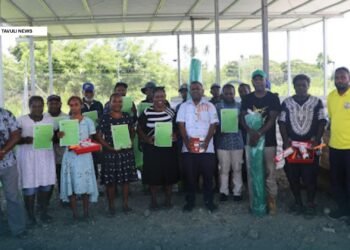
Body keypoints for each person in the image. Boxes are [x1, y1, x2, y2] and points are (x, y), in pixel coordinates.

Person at [279, 74, 327, 217]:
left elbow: (322, 121)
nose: (301, 88)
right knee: (292, 174)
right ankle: (298, 202)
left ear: (308, 86)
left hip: (310, 146)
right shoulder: (287, 103)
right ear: (294, 86)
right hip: (292, 146)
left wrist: (317, 140)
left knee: (310, 176)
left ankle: (310, 203)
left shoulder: (316, 101)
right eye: (298, 85)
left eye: (303, 85)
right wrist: (286, 140)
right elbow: (281, 122)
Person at [240, 70, 281, 215]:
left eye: (261, 79)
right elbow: (242, 117)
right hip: (251, 141)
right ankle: (255, 202)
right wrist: (251, 132)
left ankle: (272, 201)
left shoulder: (273, 98)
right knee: (253, 171)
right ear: (252, 82)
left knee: (270, 172)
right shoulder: (247, 98)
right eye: (255, 79)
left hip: (268, 141)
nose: (258, 82)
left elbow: (273, 118)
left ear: (265, 81)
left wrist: (259, 133)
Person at [177, 81, 219, 212]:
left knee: (208, 176)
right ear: (190, 91)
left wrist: (206, 142)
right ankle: (190, 202)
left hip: (207, 147)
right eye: (193, 89)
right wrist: (186, 141)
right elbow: (181, 125)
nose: (195, 90)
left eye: (198, 88)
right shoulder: (184, 107)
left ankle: (209, 201)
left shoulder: (210, 106)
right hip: (188, 147)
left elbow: (213, 125)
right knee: (190, 176)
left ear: (203, 90)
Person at [96, 94, 138, 216]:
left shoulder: (126, 116)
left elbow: (132, 131)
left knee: (126, 181)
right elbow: (98, 136)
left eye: (120, 101)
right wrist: (109, 147)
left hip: (125, 153)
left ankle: (125, 205)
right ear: (109, 103)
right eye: (114, 101)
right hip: (110, 154)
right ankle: (111, 207)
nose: (117, 104)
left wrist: (130, 140)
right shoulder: (104, 118)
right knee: (111, 182)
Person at [138, 87, 179, 210]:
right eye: (157, 97)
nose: (160, 99)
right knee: (153, 174)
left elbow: (177, 127)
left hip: (168, 149)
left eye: (162, 96)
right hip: (152, 150)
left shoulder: (171, 112)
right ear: (152, 98)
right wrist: (146, 139)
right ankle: (154, 201)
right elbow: (139, 128)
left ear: (165, 97)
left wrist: (175, 135)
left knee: (169, 173)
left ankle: (168, 200)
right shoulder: (146, 112)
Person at [17, 96, 56, 225]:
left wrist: (58, 136)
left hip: (45, 155)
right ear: (29, 106)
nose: (37, 109)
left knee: (46, 185)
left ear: (43, 106)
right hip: (28, 156)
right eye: (34, 106)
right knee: (29, 186)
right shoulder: (21, 120)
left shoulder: (49, 119)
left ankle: (43, 211)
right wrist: (25, 140)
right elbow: (15, 139)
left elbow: (55, 136)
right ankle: (30, 215)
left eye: (40, 106)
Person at [59, 96, 99, 220]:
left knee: (85, 182)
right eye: (71, 105)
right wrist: (59, 136)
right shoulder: (65, 122)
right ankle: (75, 213)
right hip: (70, 156)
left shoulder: (88, 121)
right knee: (72, 183)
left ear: (81, 105)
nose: (74, 107)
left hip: (84, 156)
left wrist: (84, 145)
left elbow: (92, 138)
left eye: (76, 104)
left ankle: (86, 212)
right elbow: (62, 140)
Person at [327, 67, 350, 222]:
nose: (340, 80)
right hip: (334, 147)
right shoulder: (331, 96)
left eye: (343, 77)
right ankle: (343, 209)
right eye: (337, 77)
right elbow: (331, 119)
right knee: (337, 181)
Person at [215, 84, 244, 202]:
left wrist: (239, 124)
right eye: (226, 93)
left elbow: (244, 123)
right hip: (222, 142)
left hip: (237, 142)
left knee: (237, 168)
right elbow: (213, 123)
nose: (229, 95)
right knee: (223, 168)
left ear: (234, 93)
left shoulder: (240, 106)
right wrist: (219, 128)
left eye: (231, 93)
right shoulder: (217, 106)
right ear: (222, 94)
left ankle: (237, 192)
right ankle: (224, 191)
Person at [0, 107, 26, 237]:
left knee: (13, 197)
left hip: (8, 163)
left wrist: (3, 151)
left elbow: (16, 135)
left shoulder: (6, 114)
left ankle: (18, 229)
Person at [45, 95, 69, 201]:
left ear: (60, 104)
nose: (54, 105)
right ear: (47, 104)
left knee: (61, 176)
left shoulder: (66, 117)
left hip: (61, 152)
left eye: (56, 103)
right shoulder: (43, 117)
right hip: (46, 153)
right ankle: (46, 201)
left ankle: (63, 198)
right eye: (51, 103)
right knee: (47, 178)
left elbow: (69, 135)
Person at [81, 82, 103, 179]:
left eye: (90, 92)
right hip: (83, 136)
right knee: (85, 158)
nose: (88, 94)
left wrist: (100, 120)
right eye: (86, 92)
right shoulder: (79, 104)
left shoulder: (98, 104)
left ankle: (96, 183)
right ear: (83, 92)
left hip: (96, 135)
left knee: (96, 158)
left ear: (94, 92)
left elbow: (103, 118)